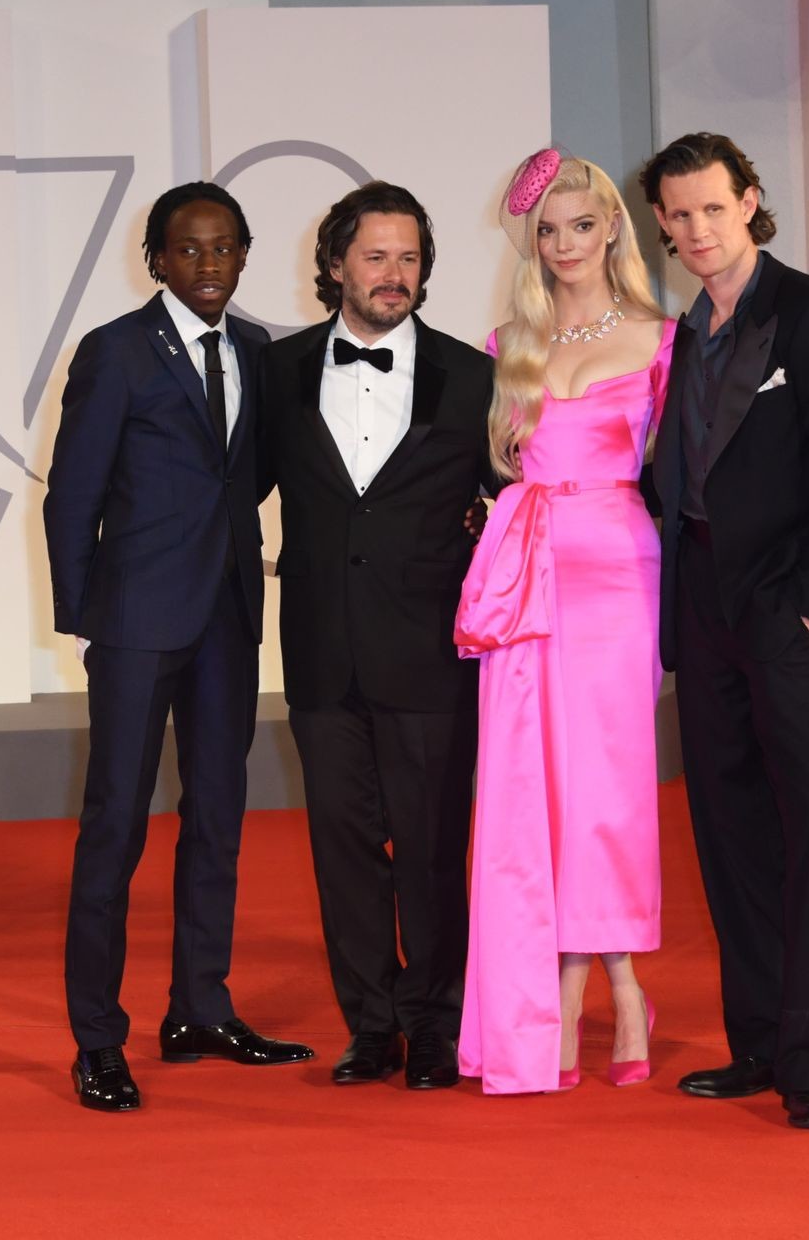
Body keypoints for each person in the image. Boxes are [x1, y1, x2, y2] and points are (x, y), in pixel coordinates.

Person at [44, 182, 312, 1113]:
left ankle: (200, 1008)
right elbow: (72, 493)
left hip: (227, 617)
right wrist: (87, 616)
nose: (208, 264)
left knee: (218, 818)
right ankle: (97, 1039)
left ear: (244, 256)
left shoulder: (258, 350)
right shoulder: (114, 351)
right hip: (134, 623)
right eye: (189, 249)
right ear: (155, 259)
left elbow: (253, 475)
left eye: (224, 247)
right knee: (115, 825)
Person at [640, 132, 809, 1131]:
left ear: (748, 202)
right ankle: (757, 1044)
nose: (697, 228)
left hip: (790, 614)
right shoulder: (681, 334)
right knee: (729, 831)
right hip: (703, 612)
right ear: (662, 224)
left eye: (713, 207)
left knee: (807, 833)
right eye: (679, 214)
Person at [258, 183, 499, 1091]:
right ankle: (370, 1026)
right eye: (375, 257)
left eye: (409, 258)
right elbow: (232, 491)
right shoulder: (278, 372)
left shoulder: (471, 376)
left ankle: (434, 1025)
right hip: (321, 650)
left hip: (430, 651)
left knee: (433, 850)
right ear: (335, 265)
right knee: (344, 852)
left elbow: (515, 495)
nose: (394, 274)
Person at [452, 151, 673, 1096]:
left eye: (581, 225)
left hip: (619, 574)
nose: (565, 245)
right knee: (533, 791)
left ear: (613, 226)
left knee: (608, 788)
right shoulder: (510, 344)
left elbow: (682, 477)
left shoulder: (663, 340)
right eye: (547, 231)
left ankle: (605, 983)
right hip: (529, 575)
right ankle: (582, 986)